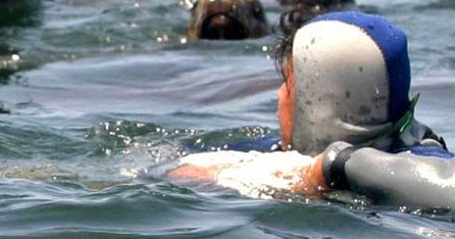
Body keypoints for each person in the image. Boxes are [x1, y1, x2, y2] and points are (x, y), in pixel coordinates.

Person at [171, 11, 455, 210]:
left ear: (317, 100)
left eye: (288, 84)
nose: (280, 95)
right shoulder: (275, 152)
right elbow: (169, 170)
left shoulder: (423, 159)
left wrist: (332, 168)